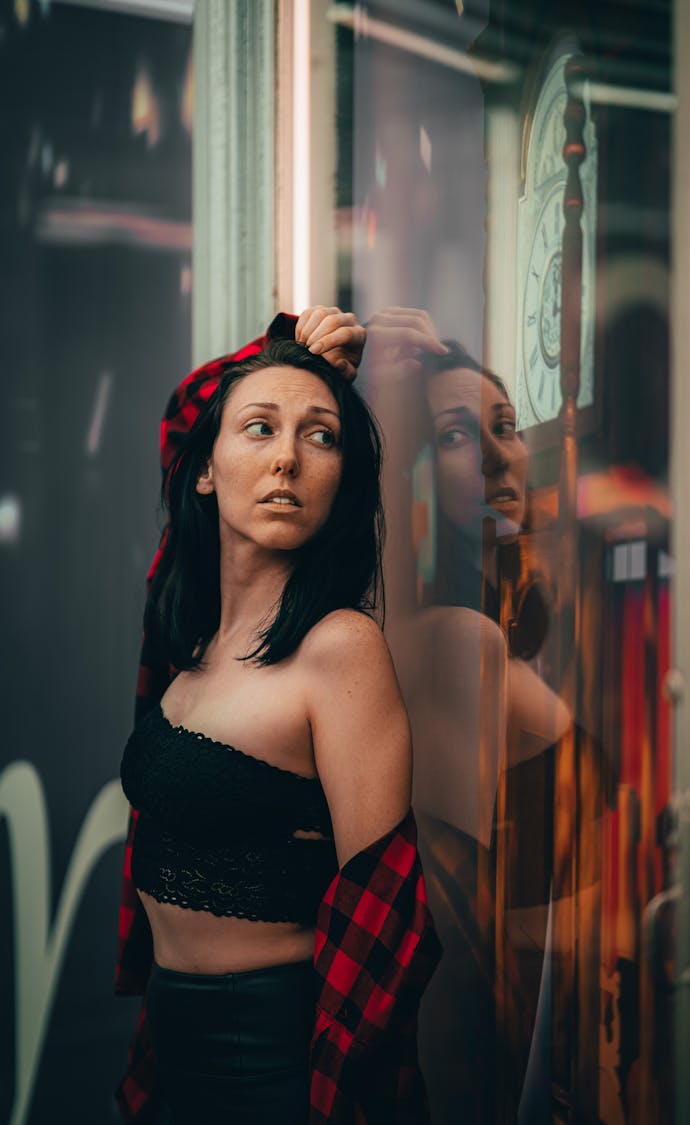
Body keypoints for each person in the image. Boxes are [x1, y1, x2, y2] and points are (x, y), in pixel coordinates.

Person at [115, 308, 442, 1125]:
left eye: (322, 436)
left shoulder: (340, 648)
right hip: (169, 1049)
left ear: (343, 482)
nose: (288, 458)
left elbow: (387, 925)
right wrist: (291, 340)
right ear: (205, 469)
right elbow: (183, 411)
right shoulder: (187, 636)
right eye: (258, 429)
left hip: (269, 1069)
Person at [365, 309, 571, 1123]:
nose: (497, 454)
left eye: (506, 425)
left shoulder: (516, 630)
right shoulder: (453, 644)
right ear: (412, 475)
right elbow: (468, 959)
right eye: (454, 436)